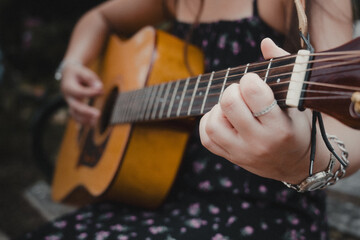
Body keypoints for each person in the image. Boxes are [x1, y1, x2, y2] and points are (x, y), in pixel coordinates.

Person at [18, 0, 360, 239]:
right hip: (152, 192)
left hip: (258, 207)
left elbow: (349, 134)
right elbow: (99, 19)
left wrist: (300, 160)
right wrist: (74, 64)